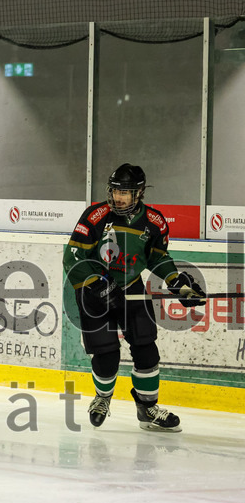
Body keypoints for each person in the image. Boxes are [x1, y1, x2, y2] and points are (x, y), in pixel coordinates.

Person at [63, 163, 205, 432]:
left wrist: (177, 283)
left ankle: (147, 408)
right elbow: (72, 257)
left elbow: (158, 257)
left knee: (146, 348)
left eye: (125, 192)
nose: (118, 197)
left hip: (130, 287)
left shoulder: (154, 221)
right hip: (94, 290)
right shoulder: (95, 216)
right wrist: (100, 285)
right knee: (106, 354)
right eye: (115, 191)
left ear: (139, 193)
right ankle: (102, 398)